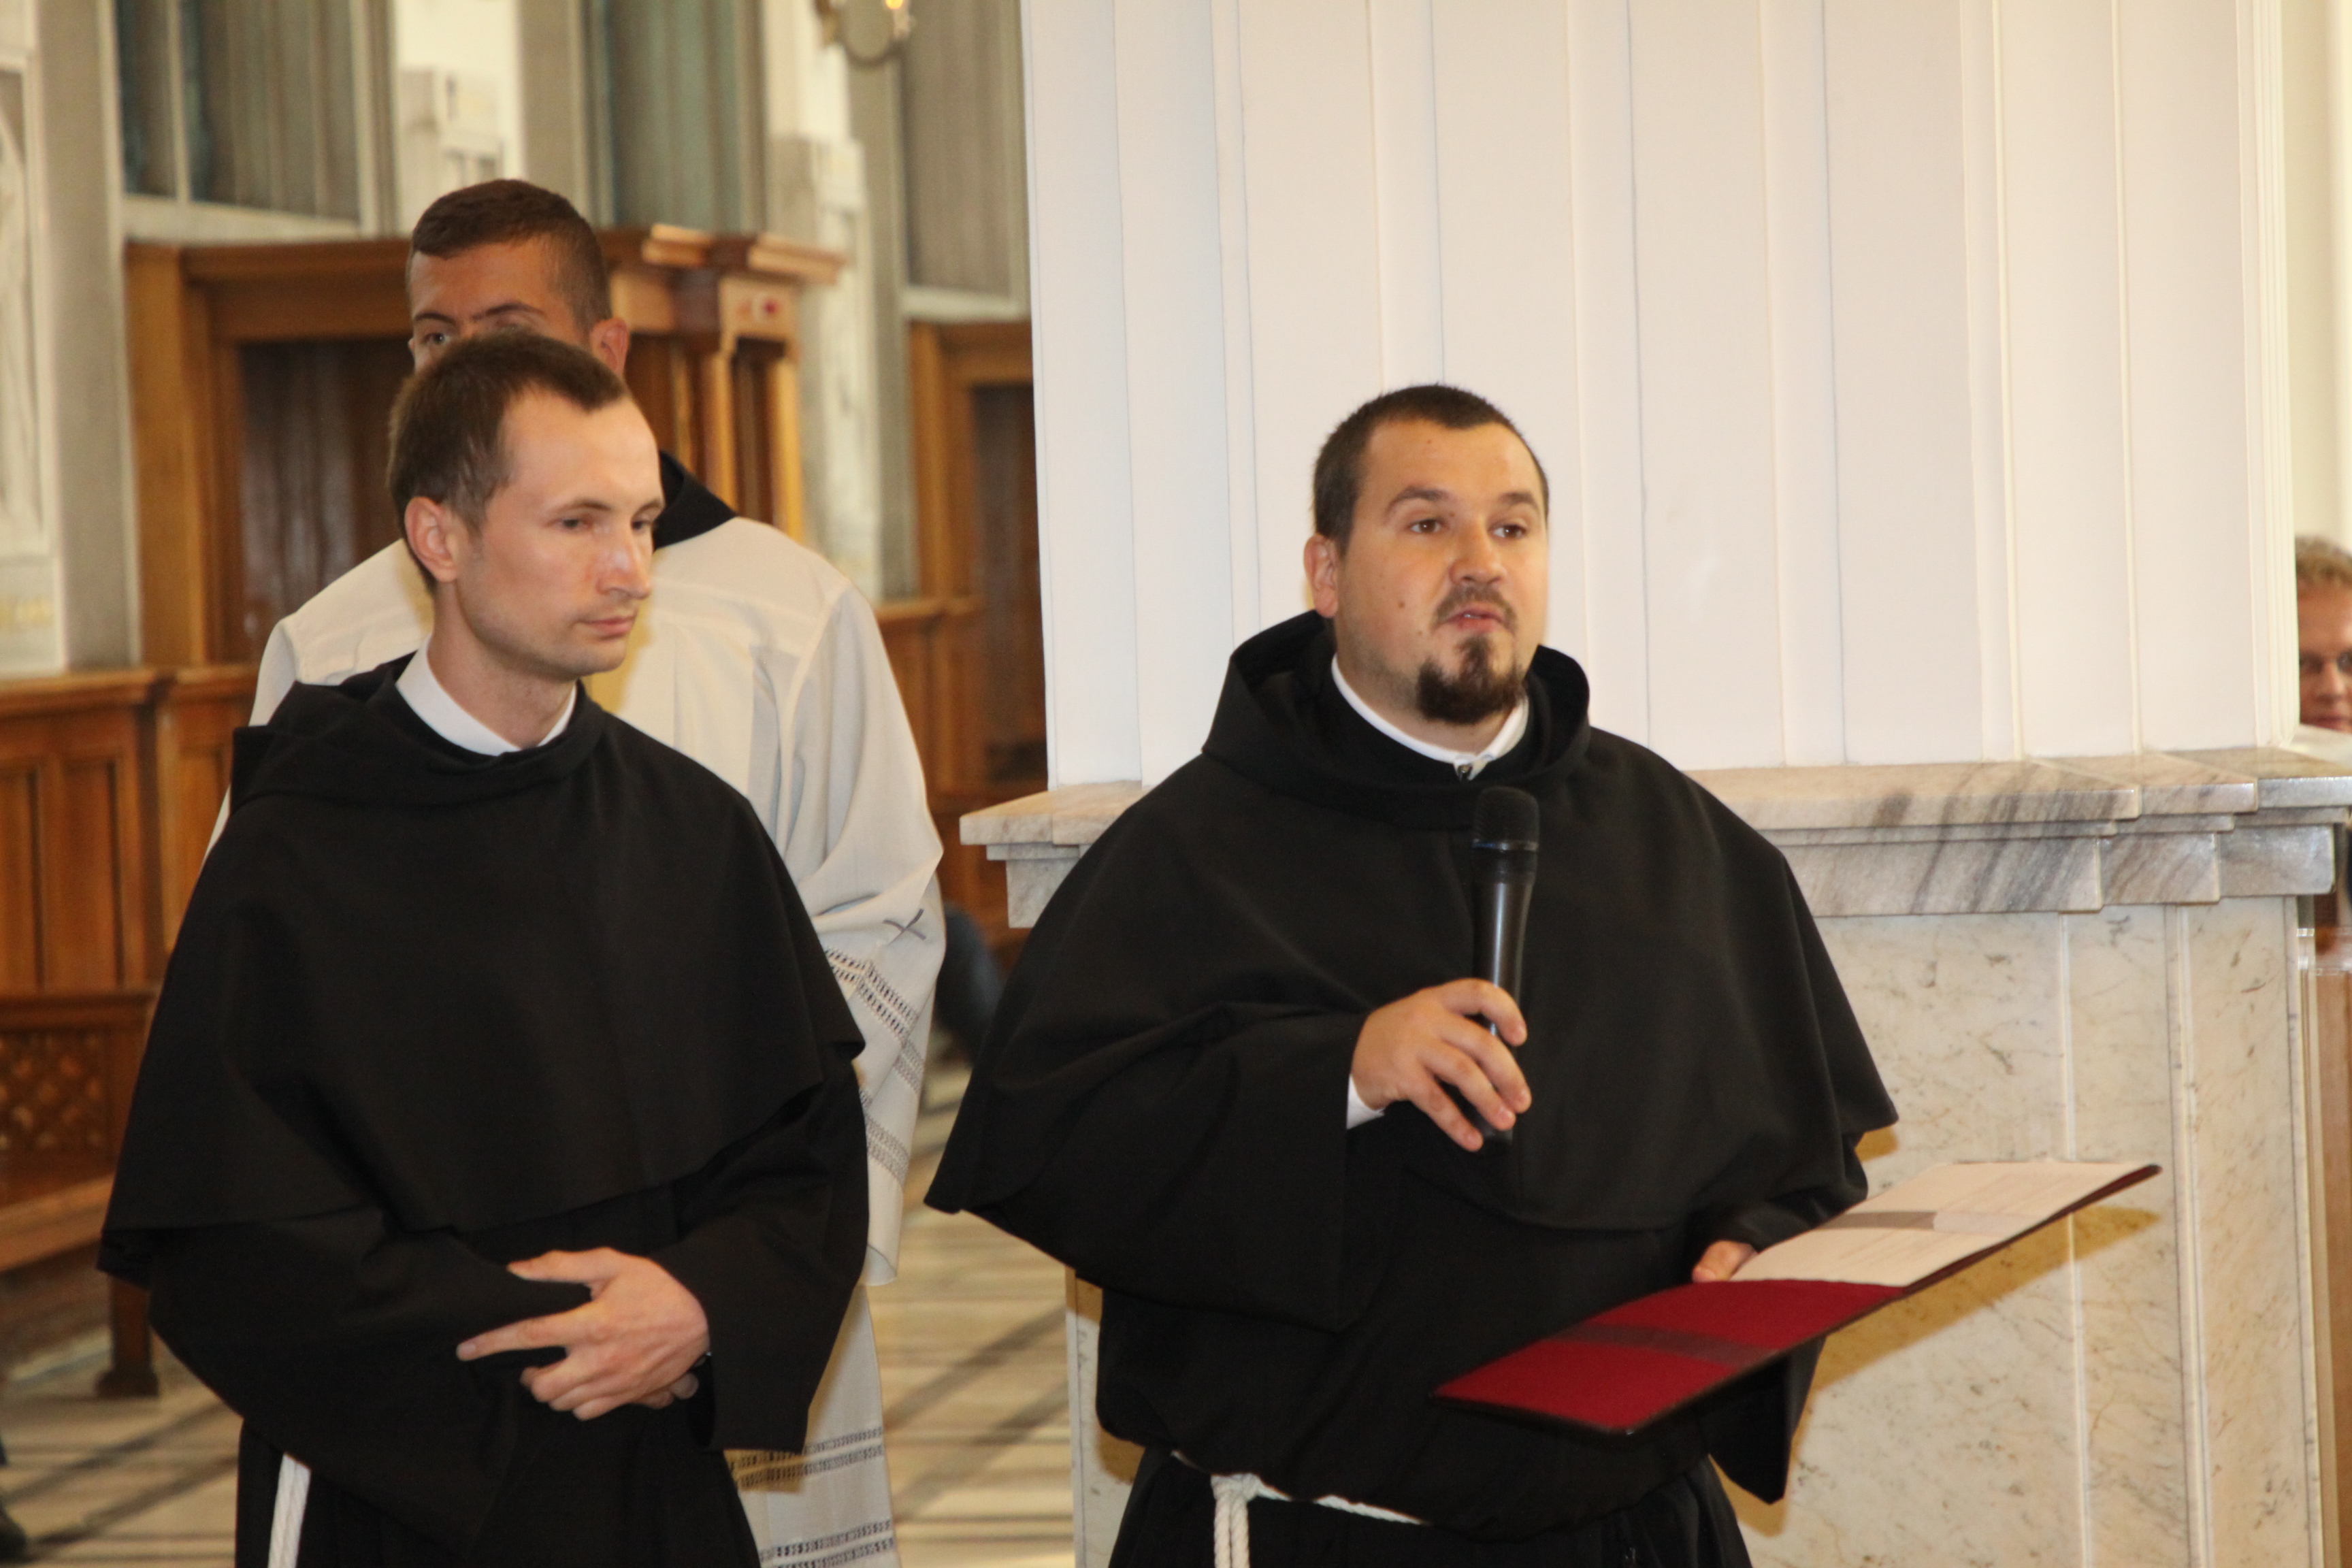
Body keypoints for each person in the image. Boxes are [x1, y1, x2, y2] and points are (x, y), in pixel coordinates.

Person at [929, 385, 1897, 1567]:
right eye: (1429, 523)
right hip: (1315, 1541)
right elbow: (1055, 1148)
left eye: (1513, 526)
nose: (1480, 561)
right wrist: (1337, 1072)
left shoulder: (1690, 851)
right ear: (1326, 573)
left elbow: (1799, 1166)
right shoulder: (1191, 853)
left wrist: (1755, 1249)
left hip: (1636, 1539)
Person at [244, 180, 942, 1558]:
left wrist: (709, 1283)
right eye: (433, 338)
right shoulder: (326, 650)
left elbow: (873, 932)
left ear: (606, 350)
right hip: (416, 1384)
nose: (461, 366)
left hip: (686, 1328)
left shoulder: (784, 617)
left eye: (503, 331)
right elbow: (261, 1067)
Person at [101, 333, 870, 1566]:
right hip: (395, 1488)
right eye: (577, 523)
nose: (629, 569)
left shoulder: (695, 830)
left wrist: (698, 1303)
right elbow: (233, 1236)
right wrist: (548, 1333)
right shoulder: (298, 845)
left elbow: (805, 1162)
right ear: (440, 537)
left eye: (642, 521)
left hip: (649, 1474)